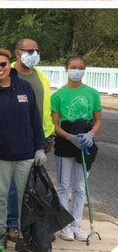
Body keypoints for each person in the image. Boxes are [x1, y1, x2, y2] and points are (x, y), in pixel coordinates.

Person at [0, 48, 44, 248]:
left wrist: (40, 147)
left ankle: (24, 233)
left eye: (3, 64)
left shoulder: (24, 87)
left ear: (9, 65)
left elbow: (35, 118)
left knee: (26, 196)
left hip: (25, 153)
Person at [50, 56, 103, 241]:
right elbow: (54, 125)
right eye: (73, 67)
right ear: (66, 69)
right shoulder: (58, 96)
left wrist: (91, 135)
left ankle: (77, 225)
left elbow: (98, 120)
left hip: (85, 140)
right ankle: (65, 226)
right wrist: (70, 137)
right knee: (63, 186)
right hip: (66, 141)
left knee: (80, 187)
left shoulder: (93, 93)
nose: (77, 70)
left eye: (81, 67)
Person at [9, 38, 54, 238]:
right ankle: (11, 225)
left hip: (37, 139)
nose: (34, 54)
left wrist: (47, 136)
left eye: (36, 50)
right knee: (11, 188)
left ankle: (32, 224)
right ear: (17, 53)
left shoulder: (41, 77)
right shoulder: (6, 73)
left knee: (34, 186)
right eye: (30, 51)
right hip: (12, 140)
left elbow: (45, 110)